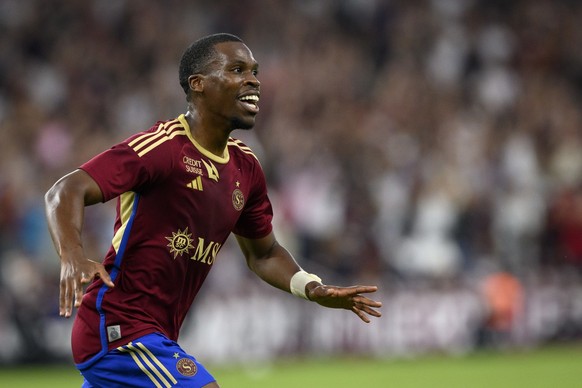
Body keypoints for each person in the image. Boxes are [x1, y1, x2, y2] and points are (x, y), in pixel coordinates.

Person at [45, 33, 382, 388]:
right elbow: (65, 190)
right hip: (118, 328)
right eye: (238, 69)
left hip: (159, 332)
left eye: (255, 71)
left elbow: (264, 253)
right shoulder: (161, 148)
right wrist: (72, 254)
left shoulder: (246, 167)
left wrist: (312, 287)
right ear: (199, 84)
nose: (253, 80)